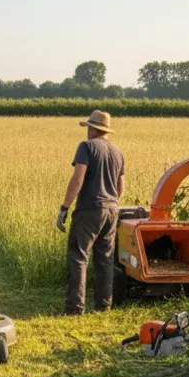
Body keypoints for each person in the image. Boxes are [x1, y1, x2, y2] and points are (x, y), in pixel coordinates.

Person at [55, 109, 125, 315]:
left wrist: (64, 208)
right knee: (105, 257)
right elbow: (121, 188)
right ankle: (103, 305)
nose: (86, 131)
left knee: (78, 256)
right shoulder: (117, 152)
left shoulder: (86, 147)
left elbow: (78, 179)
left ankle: (75, 308)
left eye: (88, 127)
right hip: (112, 209)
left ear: (93, 129)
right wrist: (111, 204)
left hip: (89, 209)